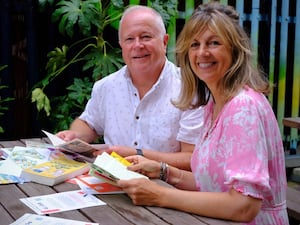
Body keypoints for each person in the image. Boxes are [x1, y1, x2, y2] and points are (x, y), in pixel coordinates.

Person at [117, 2, 289, 224]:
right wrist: (163, 172)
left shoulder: (242, 108)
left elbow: (244, 206)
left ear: (235, 49)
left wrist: (160, 195)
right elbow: (214, 182)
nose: (202, 53)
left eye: (214, 43)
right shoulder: (215, 104)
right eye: (195, 44)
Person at [56, 5, 203, 170]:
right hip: (110, 184)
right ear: (121, 45)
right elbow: (89, 124)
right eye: (129, 39)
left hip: (168, 188)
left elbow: (192, 159)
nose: (138, 45)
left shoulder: (190, 88)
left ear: (164, 41)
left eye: (146, 37)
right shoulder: (106, 87)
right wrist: (75, 135)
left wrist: (136, 154)